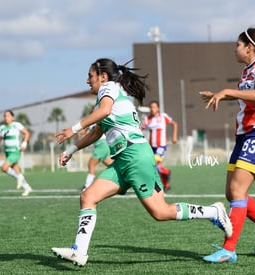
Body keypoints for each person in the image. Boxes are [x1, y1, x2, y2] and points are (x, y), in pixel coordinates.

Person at [51, 58, 232, 266]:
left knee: (161, 212)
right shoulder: (109, 95)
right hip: (123, 160)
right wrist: (72, 149)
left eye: (90, 76)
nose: (87, 81)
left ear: (102, 76)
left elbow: (104, 112)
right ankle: (79, 251)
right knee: (88, 197)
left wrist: (72, 129)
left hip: (135, 156)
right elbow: (97, 131)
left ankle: (213, 212)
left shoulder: (108, 88)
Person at [199, 27, 255, 263]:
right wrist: (219, 95)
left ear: (249, 47)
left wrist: (225, 90)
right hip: (244, 134)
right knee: (232, 193)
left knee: (237, 191)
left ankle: (229, 249)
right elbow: (245, 94)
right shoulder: (246, 71)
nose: (234, 48)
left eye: (237, 44)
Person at [0, 110, 33, 196]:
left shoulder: (16, 125)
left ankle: (19, 178)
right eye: (5, 116)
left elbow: (27, 133)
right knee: (16, 171)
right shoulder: (1, 127)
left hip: (15, 151)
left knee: (4, 168)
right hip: (7, 152)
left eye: (8, 116)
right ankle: (27, 187)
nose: (6, 118)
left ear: (12, 117)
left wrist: (24, 143)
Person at [141, 100, 178, 191]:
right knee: (157, 167)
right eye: (151, 107)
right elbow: (140, 129)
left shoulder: (163, 116)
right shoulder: (147, 119)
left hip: (161, 146)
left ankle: (154, 183)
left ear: (158, 108)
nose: (152, 109)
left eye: (154, 107)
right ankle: (166, 182)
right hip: (151, 147)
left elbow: (174, 124)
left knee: (154, 163)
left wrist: (174, 136)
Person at [78, 124, 113, 192]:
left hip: (101, 145)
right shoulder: (92, 121)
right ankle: (127, 179)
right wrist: (79, 131)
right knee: (112, 166)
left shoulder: (98, 119)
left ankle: (87, 187)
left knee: (91, 164)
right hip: (104, 145)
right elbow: (83, 131)